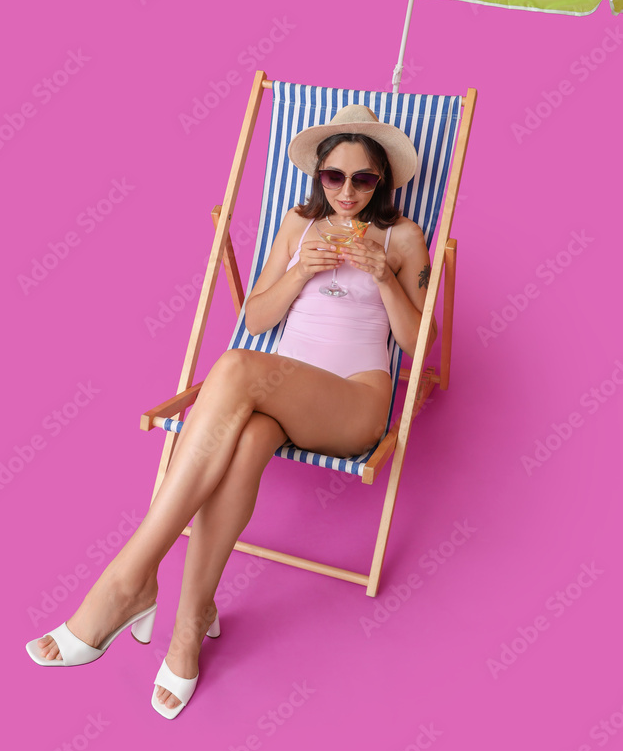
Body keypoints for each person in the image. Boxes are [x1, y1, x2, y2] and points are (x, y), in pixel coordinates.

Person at [25, 104, 437, 719]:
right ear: (318, 178)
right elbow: (260, 318)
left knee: (237, 366)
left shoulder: (401, 238)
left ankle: (126, 580)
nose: (346, 191)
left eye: (363, 179)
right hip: (281, 392)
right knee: (245, 438)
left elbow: (415, 345)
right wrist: (300, 272)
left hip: (353, 400)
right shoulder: (299, 226)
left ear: (383, 183)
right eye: (334, 177)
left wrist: (384, 278)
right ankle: (190, 622)